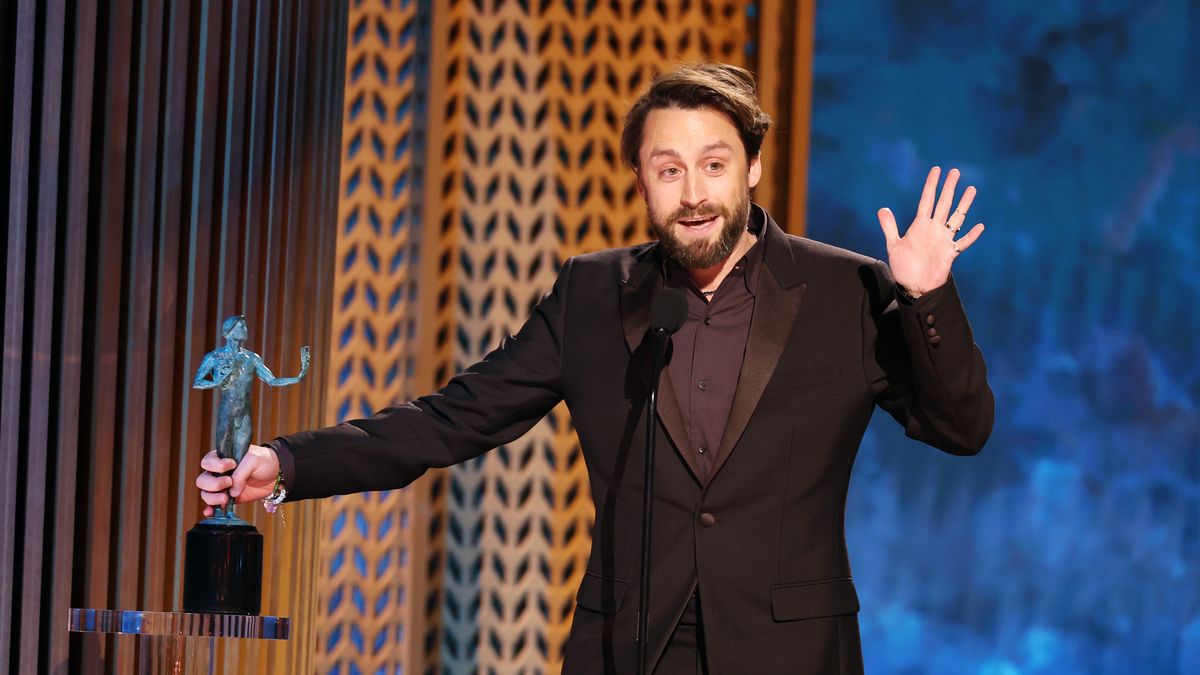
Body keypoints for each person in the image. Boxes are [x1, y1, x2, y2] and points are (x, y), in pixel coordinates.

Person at [196, 63, 993, 674]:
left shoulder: (840, 290)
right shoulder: (592, 292)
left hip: (789, 648)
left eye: (714, 165)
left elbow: (962, 427)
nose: (693, 194)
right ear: (642, 180)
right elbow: (456, 417)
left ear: (752, 167)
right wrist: (290, 462)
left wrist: (925, 296)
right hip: (629, 643)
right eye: (667, 169)